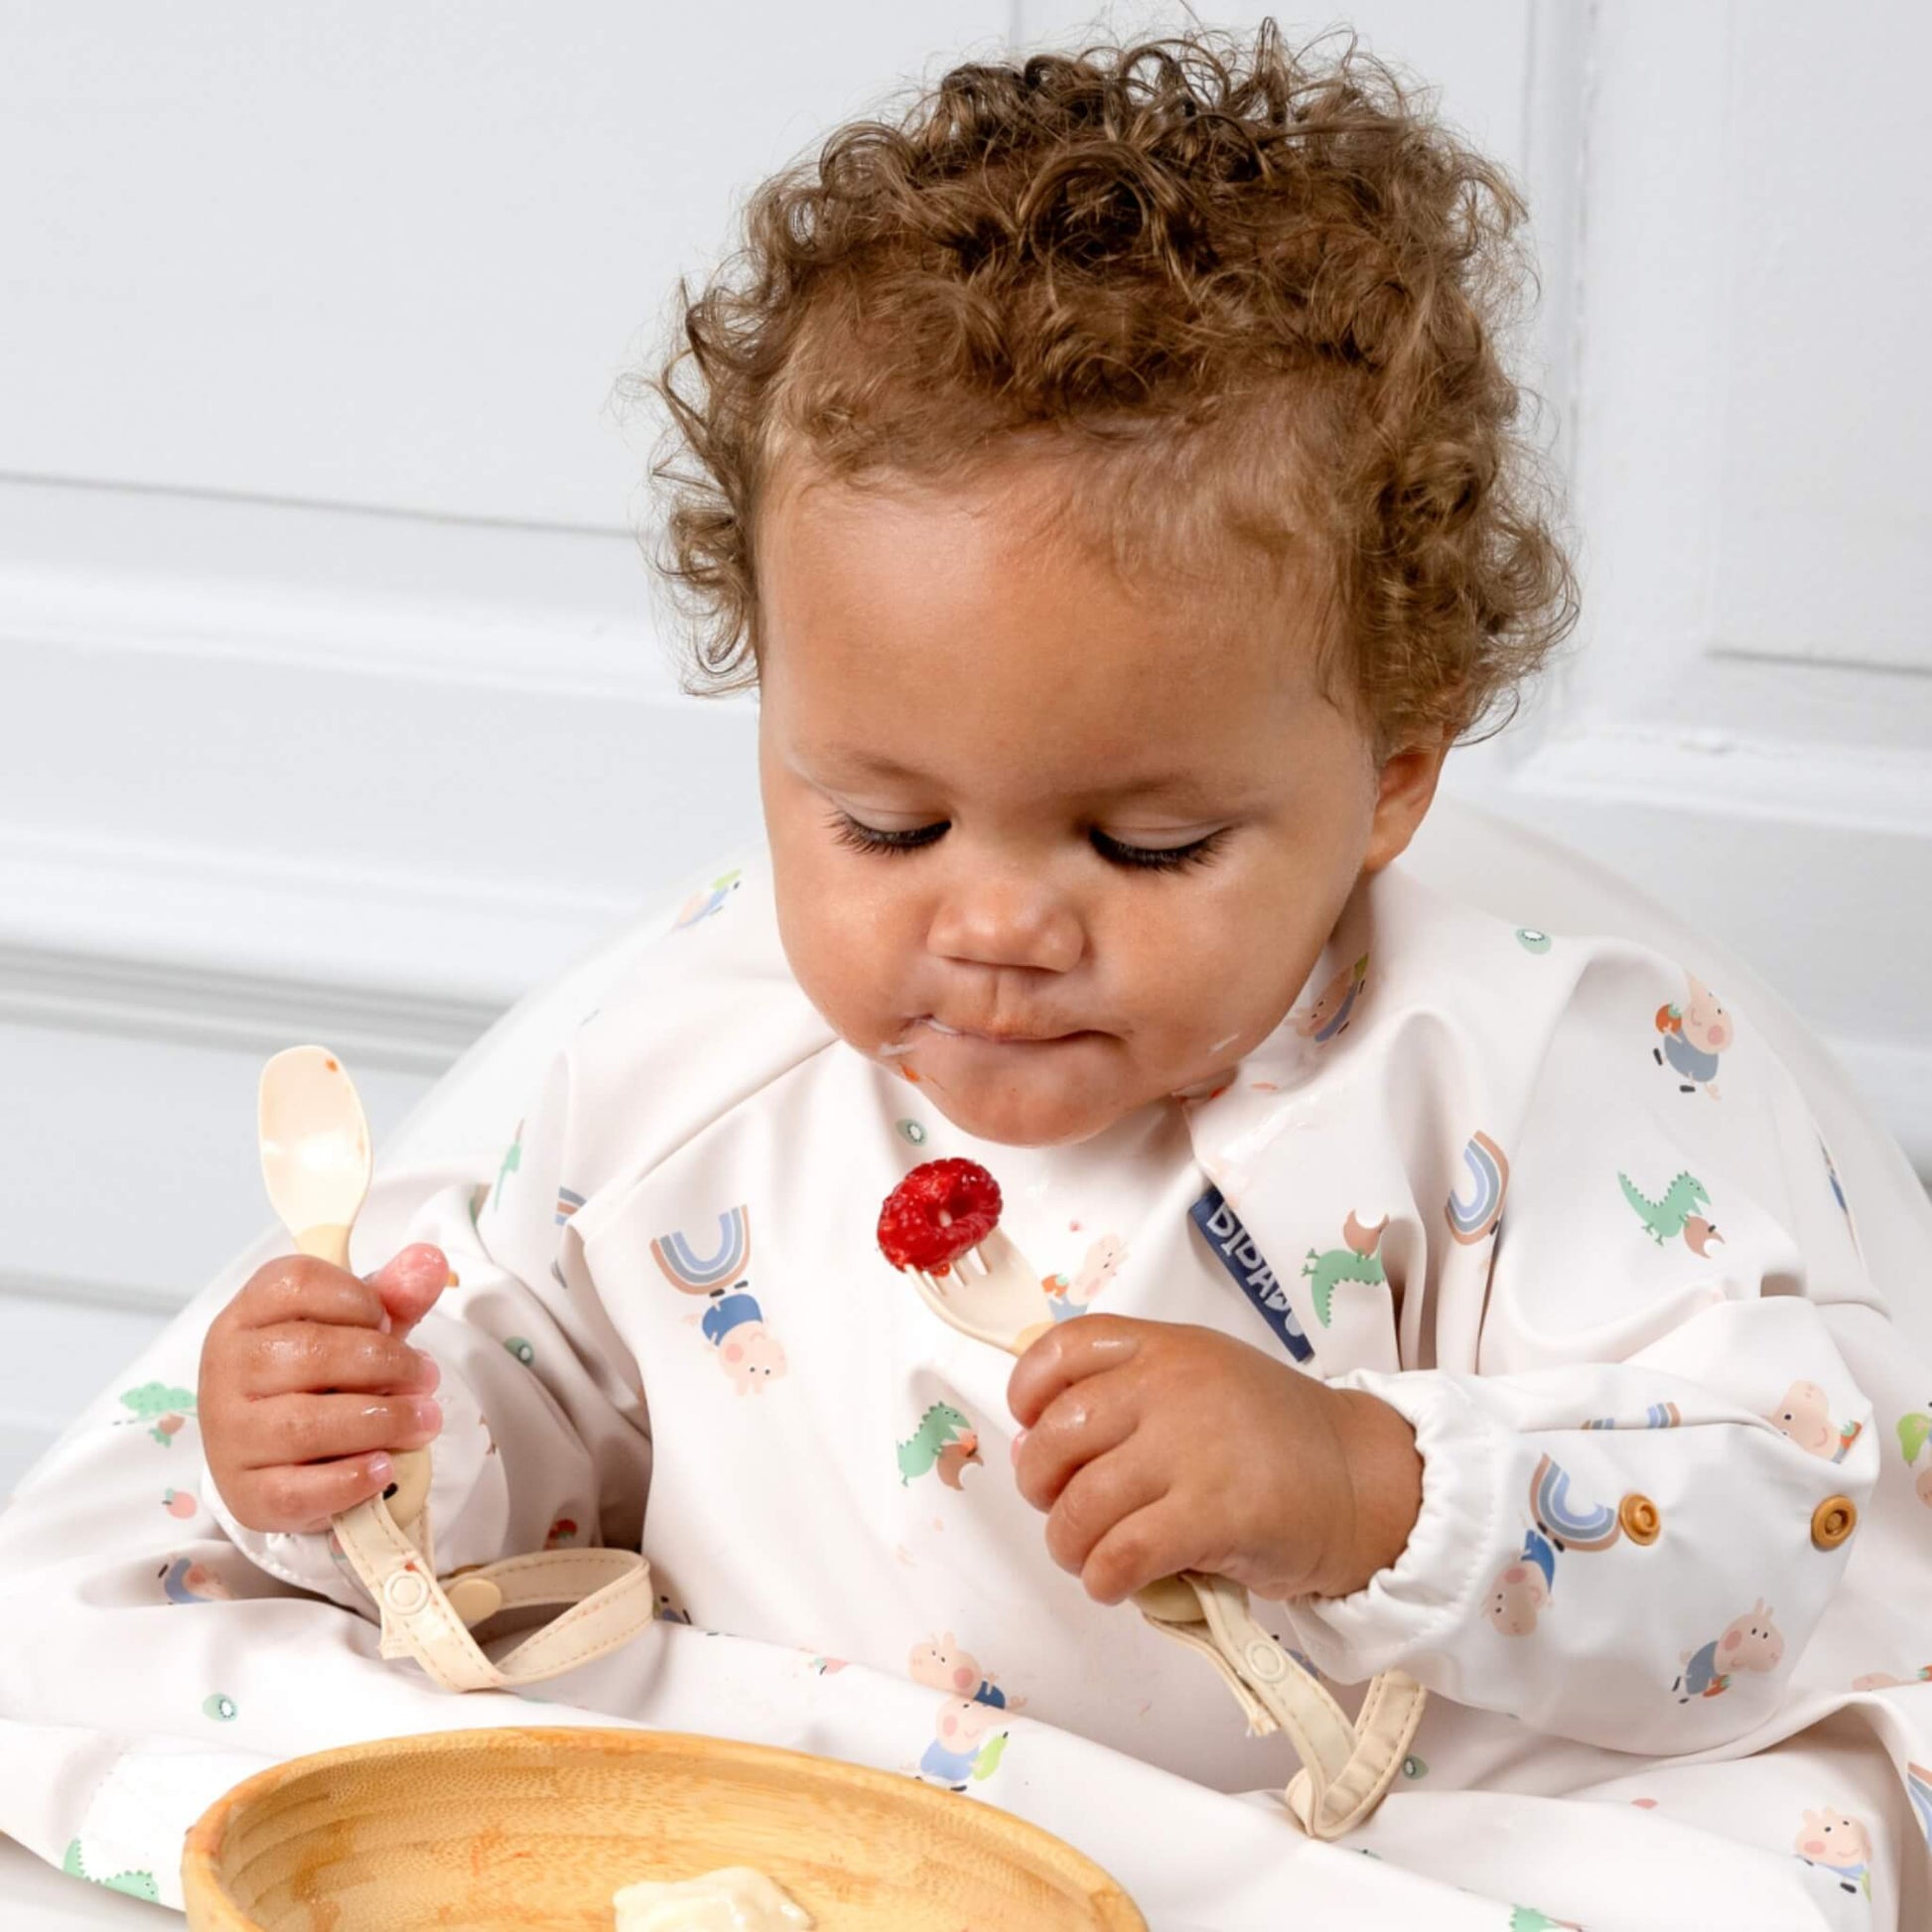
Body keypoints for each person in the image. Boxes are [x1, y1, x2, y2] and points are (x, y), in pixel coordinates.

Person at [5, 24, 1928, 1927]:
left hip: (1356, 1844)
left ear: (1393, 773)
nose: (995, 923)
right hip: (814, 1796)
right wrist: (358, 1432)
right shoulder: (701, 1055)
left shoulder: (1515, 1072)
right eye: (885, 825)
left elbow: (1800, 1515)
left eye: (1144, 843)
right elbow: (536, 1422)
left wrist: (1368, 1479)